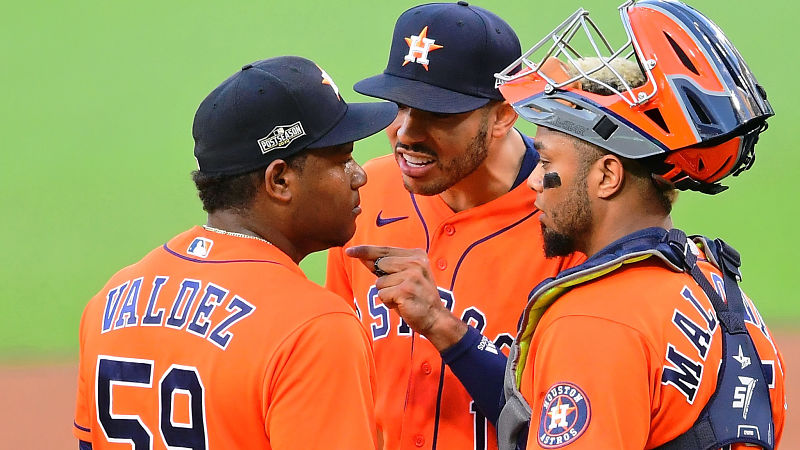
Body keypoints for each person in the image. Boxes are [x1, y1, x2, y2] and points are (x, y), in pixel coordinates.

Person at [348, 1, 787, 448]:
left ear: (607, 175)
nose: (536, 178)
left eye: (550, 160)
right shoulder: (721, 289)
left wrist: (448, 331)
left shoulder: (592, 318)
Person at [72, 56, 398, 450]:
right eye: (342, 159)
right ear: (279, 179)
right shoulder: (315, 328)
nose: (359, 174)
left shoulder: (111, 301)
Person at [325, 2, 584, 450]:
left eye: (437, 113)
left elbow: (565, 426)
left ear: (504, 114)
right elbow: (337, 373)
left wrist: (446, 329)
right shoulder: (367, 192)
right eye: (399, 105)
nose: (405, 132)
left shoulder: (570, 224)